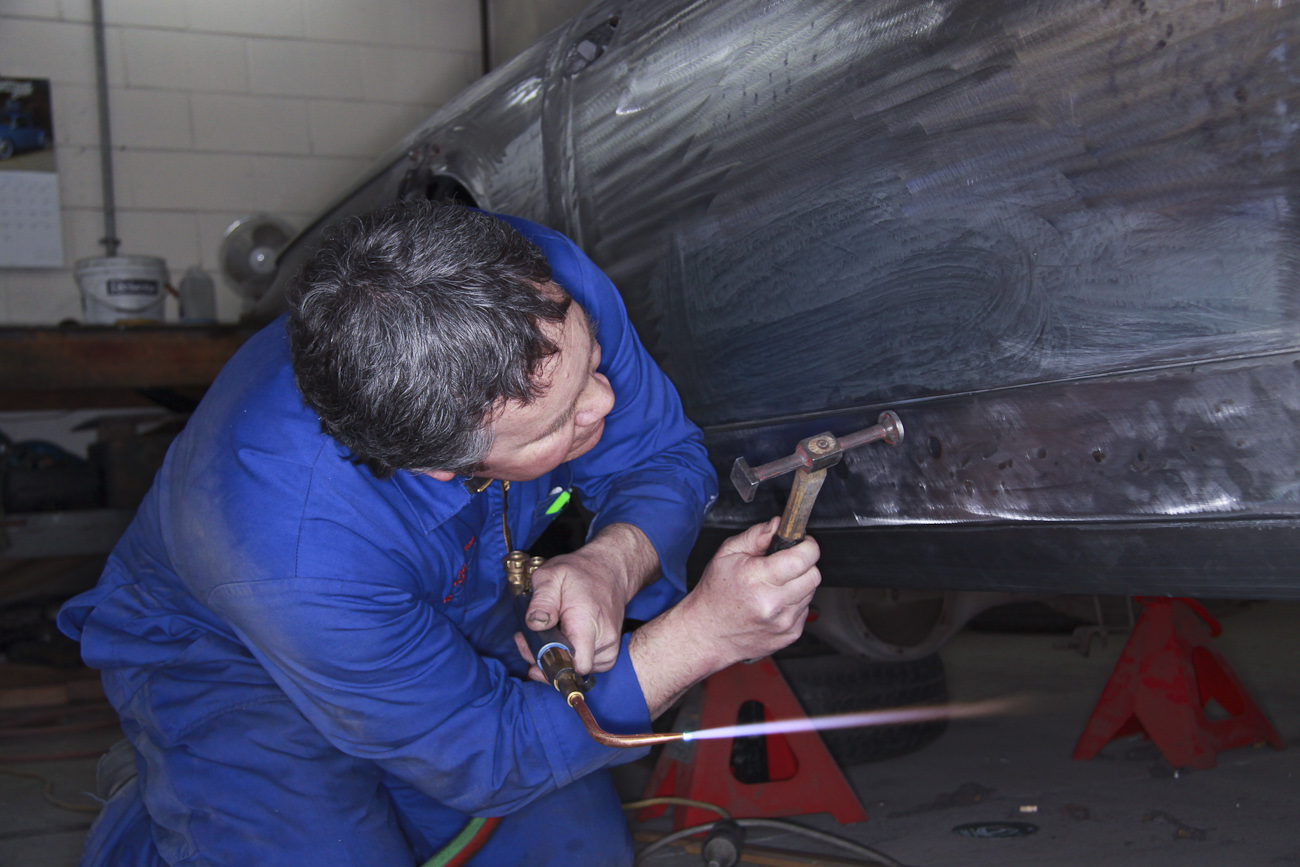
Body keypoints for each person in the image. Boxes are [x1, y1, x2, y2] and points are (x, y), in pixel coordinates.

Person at [57, 202, 821, 867]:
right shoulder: (294, 544)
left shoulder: (538, 286)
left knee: (573, 849)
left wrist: (613, 560)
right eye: (558, 422)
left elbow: (659, 454)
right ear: (438, 464)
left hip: (451, 594)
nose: (604, 400)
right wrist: (701, 638)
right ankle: (169, 803)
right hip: (228, 657)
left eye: (590, 361)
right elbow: (491, 754)